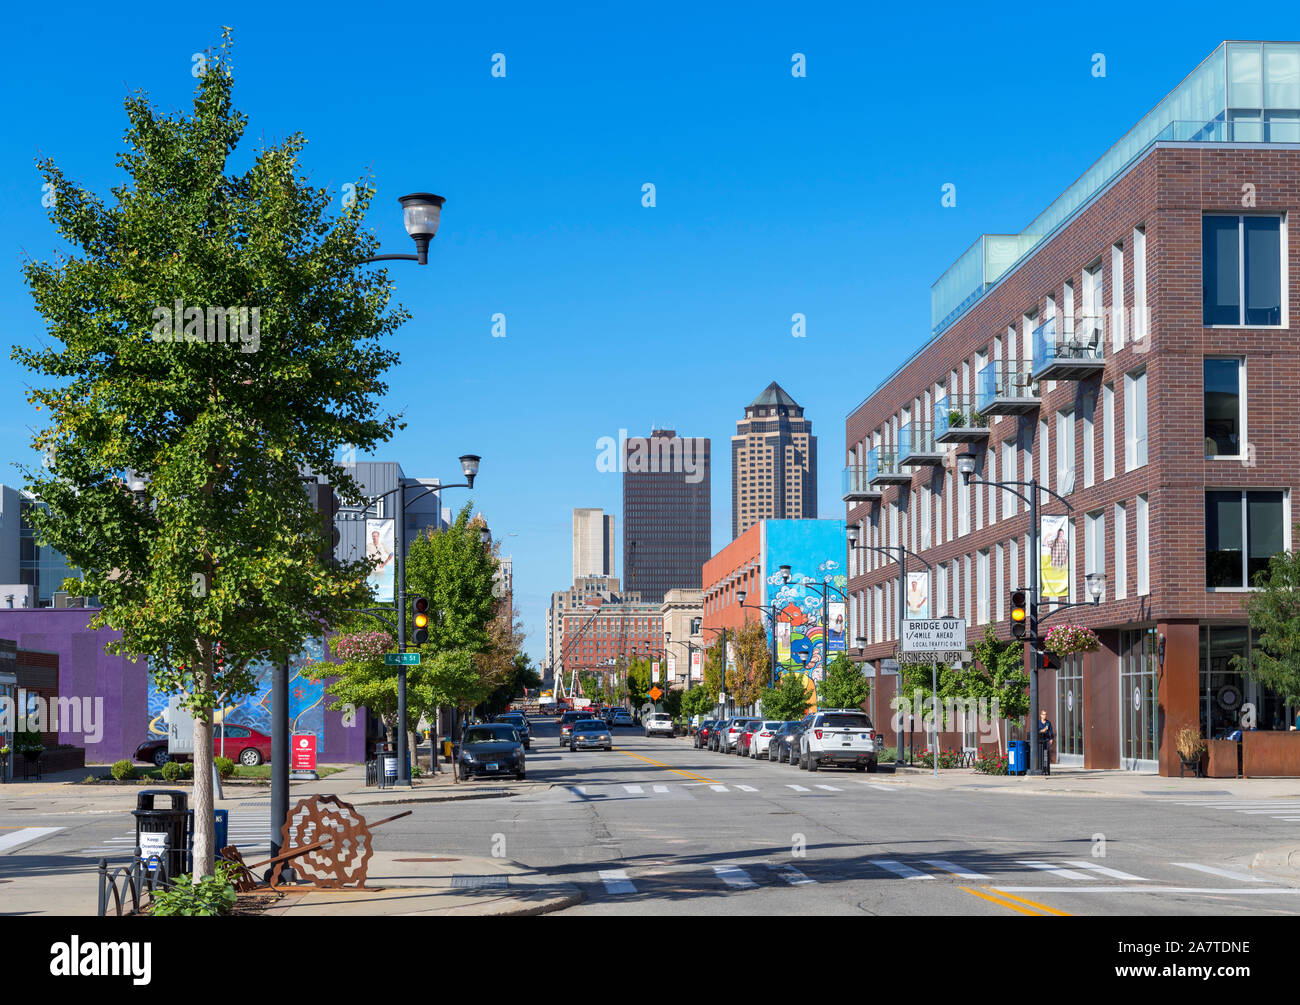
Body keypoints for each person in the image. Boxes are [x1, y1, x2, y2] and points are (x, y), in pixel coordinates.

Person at [1038, 709, 1055, 776]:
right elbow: (1037, 731)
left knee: (1046, 755)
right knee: (1041, 755)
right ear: (1041, 715)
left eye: (1045, 714)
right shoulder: (1038, 723)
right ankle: (1041, 769)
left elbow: (1051, 731)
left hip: (1047, 740)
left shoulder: (1048, 723)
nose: (1045, 716)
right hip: (1040, 741)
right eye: (1043, 714)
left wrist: (1051, 739)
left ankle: (1047, 770)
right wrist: (1042, 730)